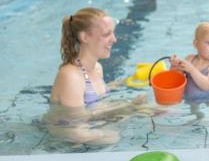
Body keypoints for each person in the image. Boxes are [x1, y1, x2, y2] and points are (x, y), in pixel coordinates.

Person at [45, 8, 148, 145]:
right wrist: (126, 108)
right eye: (107, 34)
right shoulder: (71, 76)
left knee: (151, 111)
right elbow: (75, 123)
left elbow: (95, 97)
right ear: (85, 37)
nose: (114, 39)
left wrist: (127, 81)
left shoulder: (97, 68)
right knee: (112, 136)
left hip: (92, 123)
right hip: (66, 138)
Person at [170, 22, 209, 131]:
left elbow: (207, 85)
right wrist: (175, 67)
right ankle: (199, 116)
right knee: (194, 111)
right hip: (192, 97)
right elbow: (176, 79)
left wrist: (192, 70)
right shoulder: (190, 59)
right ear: (196, 44)